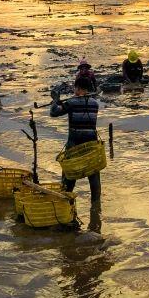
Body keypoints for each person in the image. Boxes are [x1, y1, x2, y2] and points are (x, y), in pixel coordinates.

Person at [51, 71, 106, 230]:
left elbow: (53, 112)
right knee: (94, 181)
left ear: (79, 88)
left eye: (75, 89)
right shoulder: (95, 104)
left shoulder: (73, 103)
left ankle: (66, 213)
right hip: (91, 148)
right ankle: (96, 211)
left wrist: (55, 99)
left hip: (75, 147)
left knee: (68, 181)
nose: (74, 92)